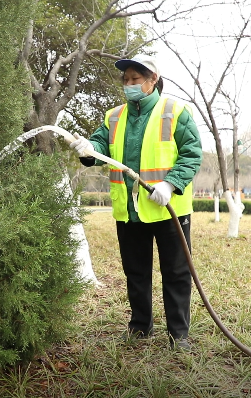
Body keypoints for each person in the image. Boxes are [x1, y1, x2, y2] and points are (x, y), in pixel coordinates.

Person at [69, 54, 202, 351]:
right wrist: (87, 148)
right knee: (136, 272)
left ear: (153, 79)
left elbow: (192, 154)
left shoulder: (175, 111)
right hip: (130, 211)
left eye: (135, 80)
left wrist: (171, 183)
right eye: (125, 80)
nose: (128, 85)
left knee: (177, 273)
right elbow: (100, 146)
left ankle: (178, 334)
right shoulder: (114, 116)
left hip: (169, 210)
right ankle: (140, 327)